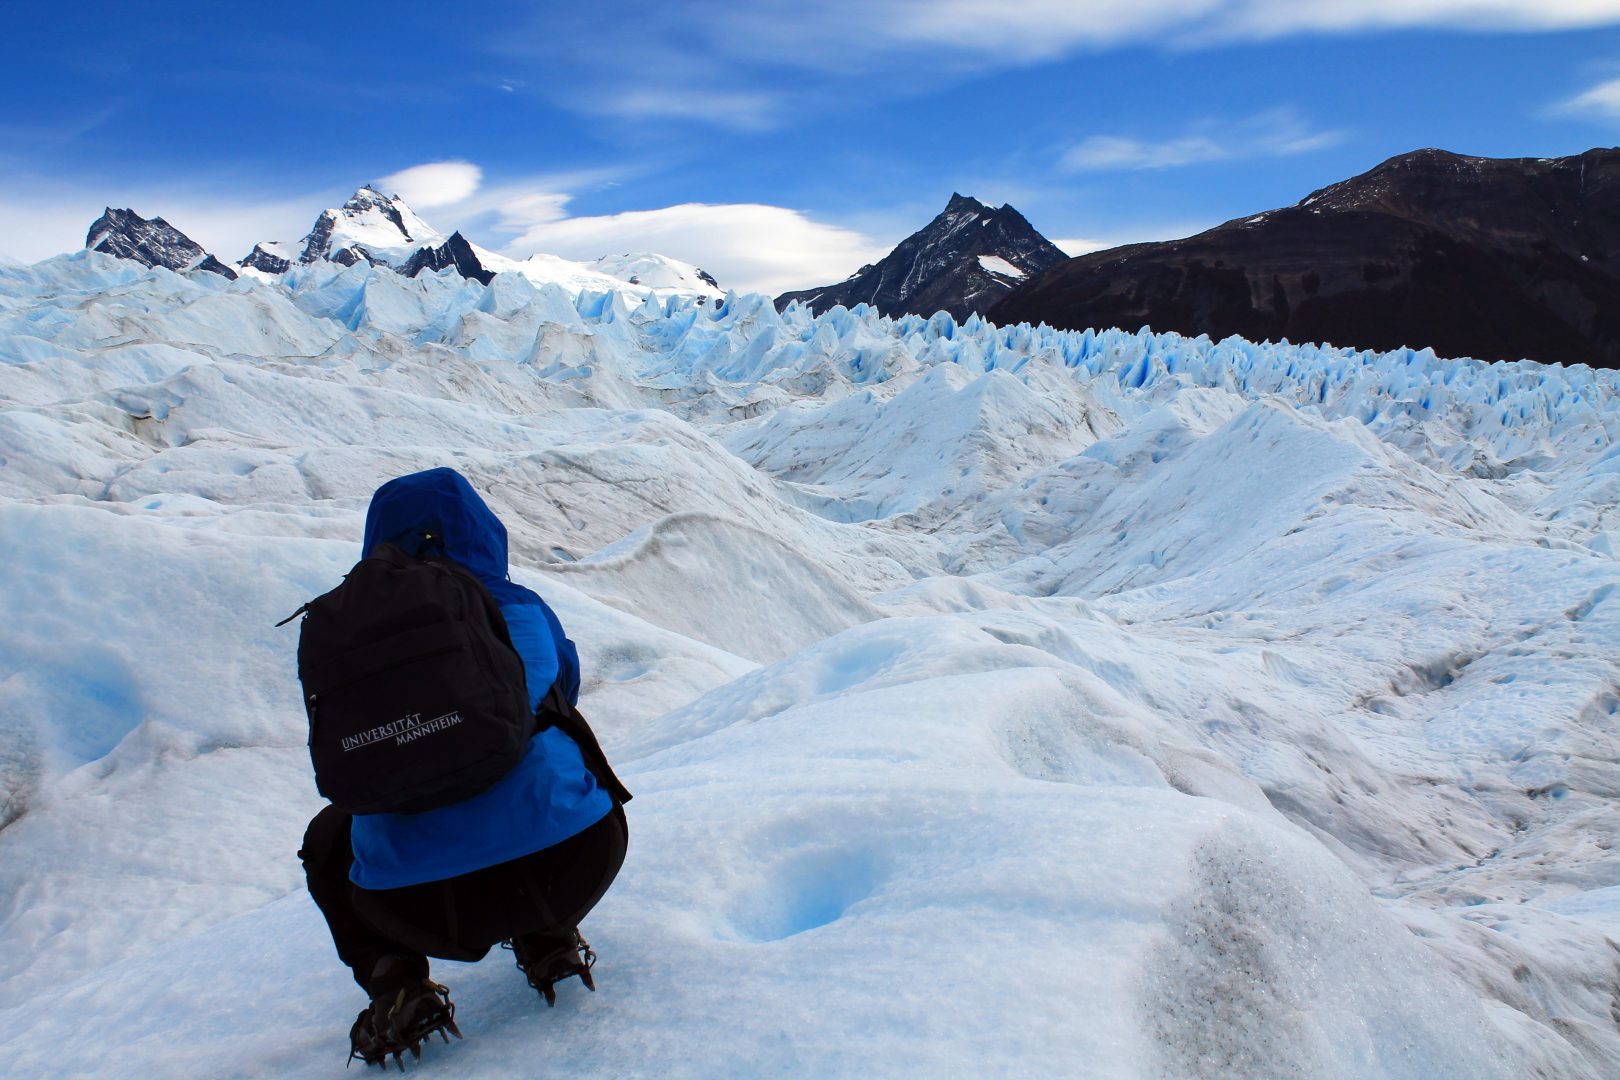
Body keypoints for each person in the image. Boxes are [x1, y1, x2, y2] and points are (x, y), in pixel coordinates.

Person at [296, 467, 630, 1068]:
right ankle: (548, 937)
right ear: (481, 532)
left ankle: (397, 984)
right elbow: (563, 688)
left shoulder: (347, 630)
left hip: (417, 906)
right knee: (544, 742)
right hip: (576, 859)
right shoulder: (521, 609)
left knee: (327, 838)